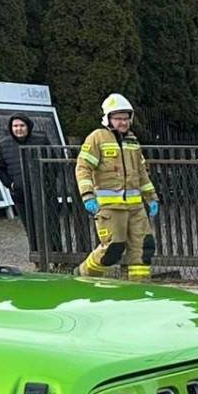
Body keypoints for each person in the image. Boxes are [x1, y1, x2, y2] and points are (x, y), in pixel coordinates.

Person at [75, 93, 159, 279]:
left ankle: (139, 290)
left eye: (126, 118)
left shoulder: (132, 141)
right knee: (113, 250)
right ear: (108, 118)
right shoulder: (97, 138)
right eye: (118, 118)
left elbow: (142, 173)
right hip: (110, 208)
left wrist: (152, 198)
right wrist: (88, 195)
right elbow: (83, 168)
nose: (123, 122)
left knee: (143, 249)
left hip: (136, 208)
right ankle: (84, 276)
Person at [0, 113, 42, 255]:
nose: (18, 129)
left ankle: (55, 255)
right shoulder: (4, 145)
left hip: (42, 192)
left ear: (28, 127)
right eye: (15, 126)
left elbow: (52, 162)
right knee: (30, 227)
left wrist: (47, 182)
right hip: (20, 193)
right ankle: (36, 256)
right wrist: (11, 185)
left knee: (48, 226)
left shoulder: (41, 140)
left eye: (22, 125)